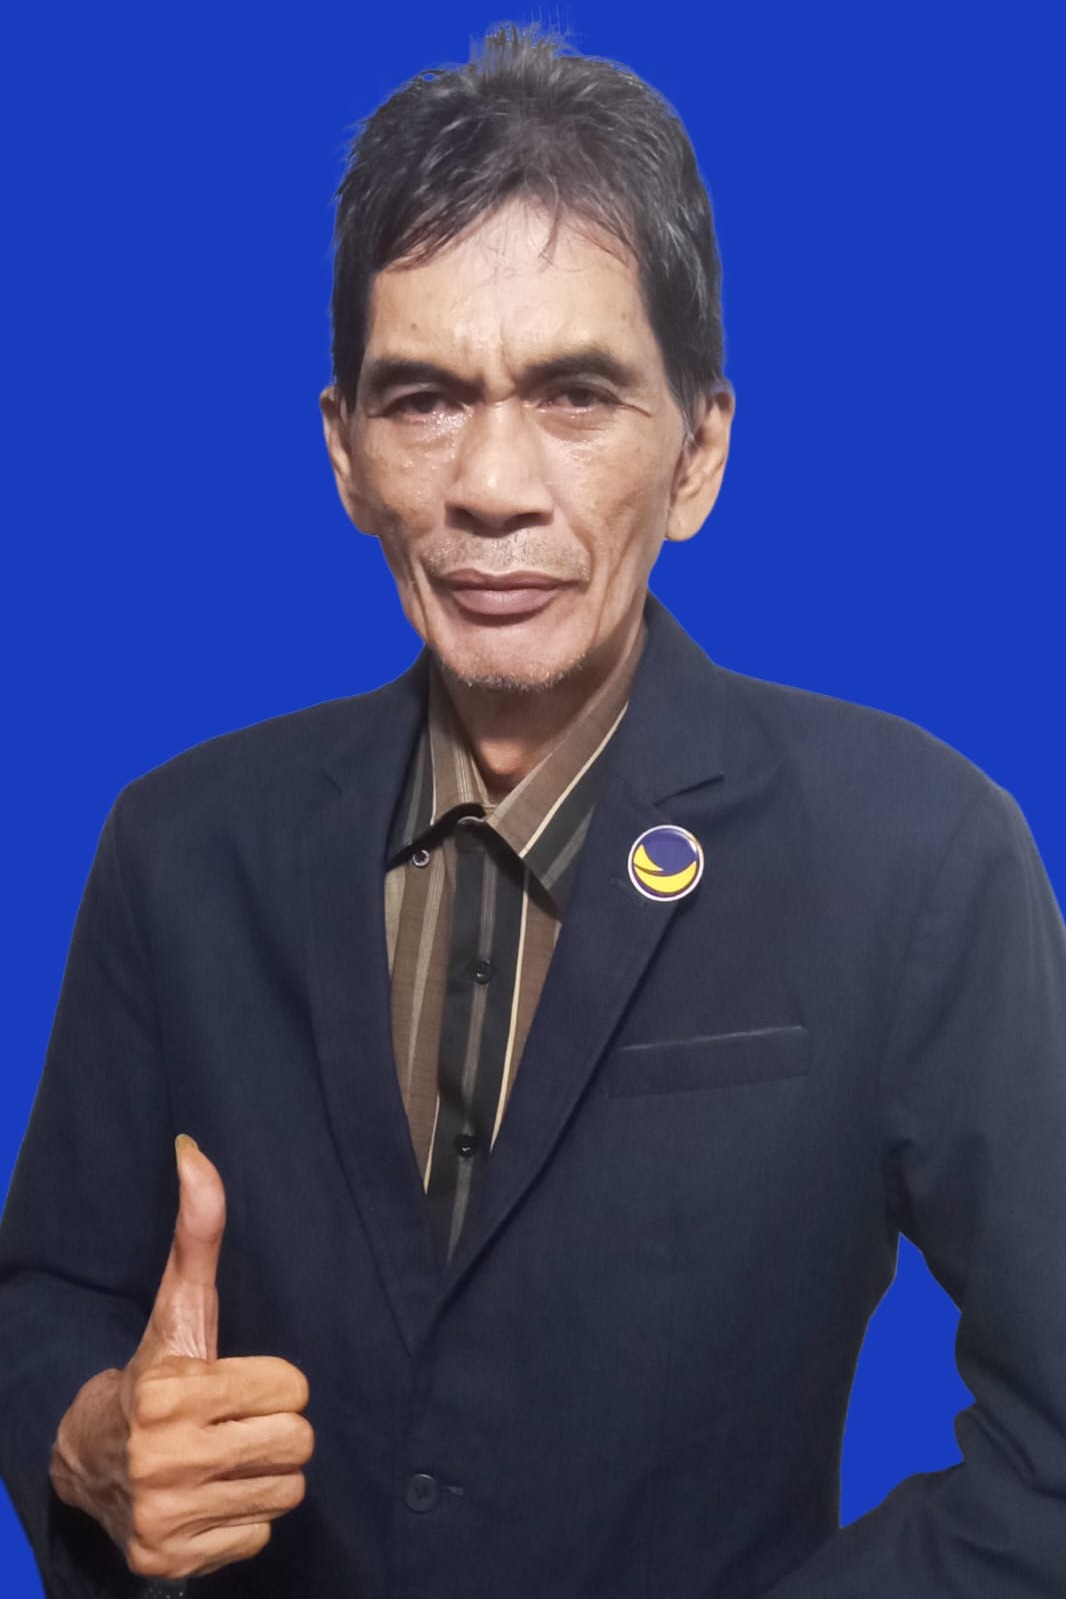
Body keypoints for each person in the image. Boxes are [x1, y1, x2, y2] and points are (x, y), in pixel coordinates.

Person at [2, 20, 1065, 1598]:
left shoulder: (918, 856)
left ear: (696, 453)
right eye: (424, 399)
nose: (492, 485)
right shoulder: (178, 849)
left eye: (574, 394)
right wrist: (88, 1436)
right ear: (344, 453)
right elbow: (46, 1295)